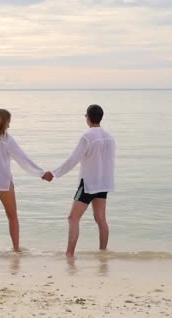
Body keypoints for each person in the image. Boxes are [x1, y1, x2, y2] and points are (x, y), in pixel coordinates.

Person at [42, 104, 115, 257]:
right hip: (104, 182)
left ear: (88, 118)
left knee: (73, 217)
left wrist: (54, 174)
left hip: (88, 183)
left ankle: (69, 253)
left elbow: (73, 159)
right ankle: (103, 253)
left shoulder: (87, 137)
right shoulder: (109, 137)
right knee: (101, 219)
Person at [0, 109, 47, 252]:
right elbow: (22, 158)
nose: (9, 126)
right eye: (8, 123)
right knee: (12, 216)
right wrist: (41, 173)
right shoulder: (5, 139)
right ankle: (16, 249)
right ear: (3, 122)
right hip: (2, 180)